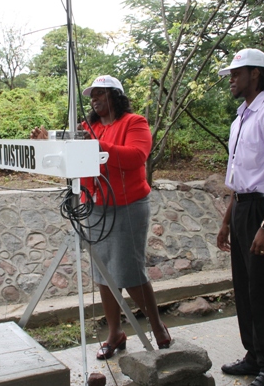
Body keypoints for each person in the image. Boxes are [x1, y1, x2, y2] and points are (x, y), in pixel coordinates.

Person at [31, 75, 171, 359]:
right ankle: (115, 333)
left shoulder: (134, 122)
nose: (93, 99)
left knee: (129, 271)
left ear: (116, 96)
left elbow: (136, 156)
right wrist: (47, 142)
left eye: (100, 94)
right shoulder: (88, 127)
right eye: (92, 95)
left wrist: (93, 146)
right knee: (102, 272)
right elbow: (65, 154)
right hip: (93, 205)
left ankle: (157, 327)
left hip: (127, 206)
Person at [215, 49, 264, 386]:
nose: (231, 79)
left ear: (256, 75)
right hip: (244, 207)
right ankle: (254, 355)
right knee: (245, 288)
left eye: (237, 73)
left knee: (263, 289)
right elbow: (240, 176)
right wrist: (226, 220)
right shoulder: (241, 117)